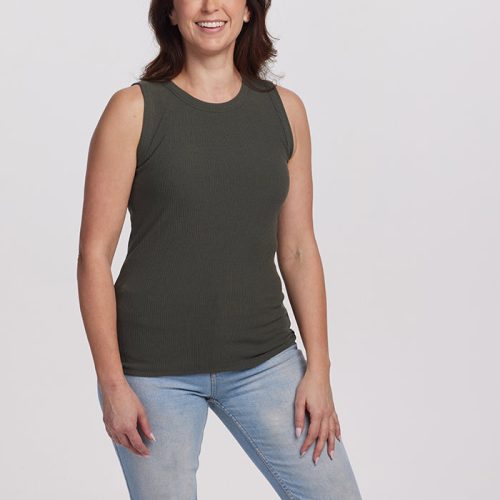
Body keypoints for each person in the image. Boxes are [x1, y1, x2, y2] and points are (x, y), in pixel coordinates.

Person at [77, 0, 363, 498]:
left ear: (250, 11)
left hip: (265, 360)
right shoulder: (134, 109)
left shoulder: (284, 110)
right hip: (151, 373)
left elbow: (297, 248)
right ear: (169, 13)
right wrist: (113, 385)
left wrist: (319, 369)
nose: (211, 6)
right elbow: (93, 258)